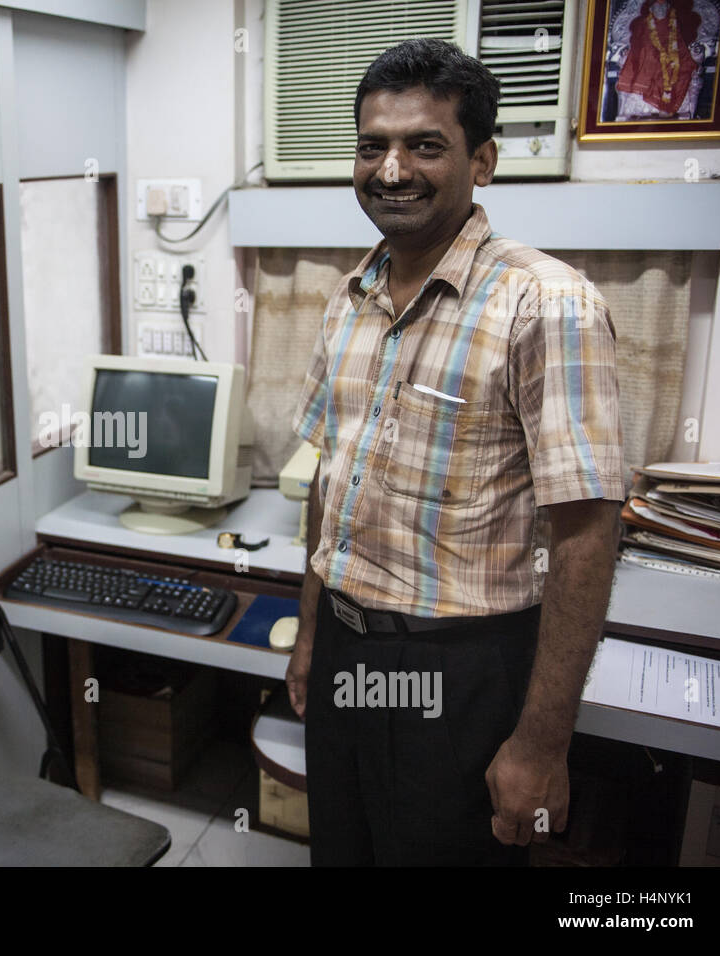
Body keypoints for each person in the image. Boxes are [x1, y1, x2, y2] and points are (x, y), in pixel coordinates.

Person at [284, 39, 625, 866]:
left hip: (460, 670)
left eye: (424, 145)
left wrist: (542, 746)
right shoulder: (349, 295)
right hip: (345, 644)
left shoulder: (548, 304)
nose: (391, 169)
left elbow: (586, 533)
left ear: (483, 161)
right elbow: (331, 482)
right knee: (342, 848)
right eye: (373, 146)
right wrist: (307, 637)